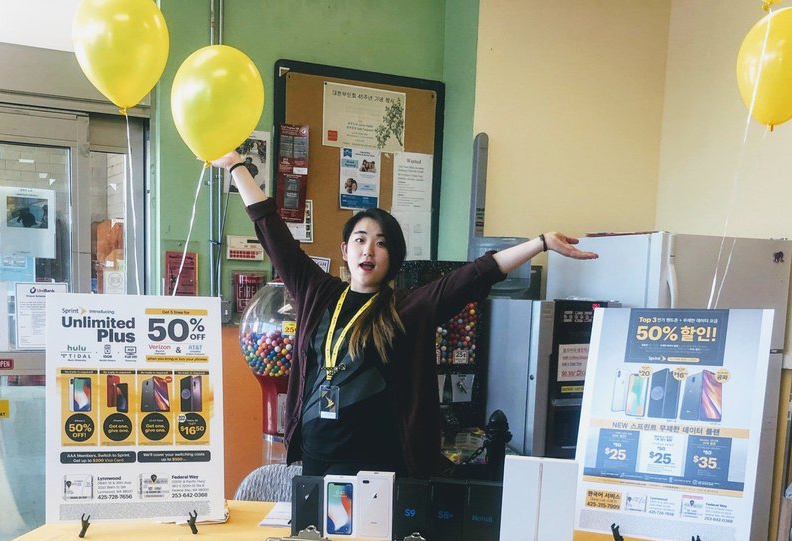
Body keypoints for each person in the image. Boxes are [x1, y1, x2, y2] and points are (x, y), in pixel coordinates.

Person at [215, 150, 597, 478]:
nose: (369, 251)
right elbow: (272, 231)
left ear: (393, 258)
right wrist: (237, 166)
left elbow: (476, 274)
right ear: (345, 249)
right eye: (361, 240)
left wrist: (541, 243)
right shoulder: (318, 293)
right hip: (317, 460)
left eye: (381, 244)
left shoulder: (407, 308)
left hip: (379, 468)